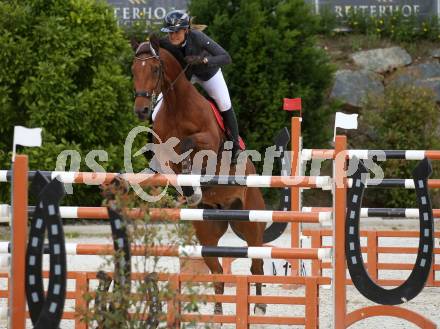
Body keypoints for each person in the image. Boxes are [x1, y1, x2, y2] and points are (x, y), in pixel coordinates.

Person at [154, 10, 243, 164]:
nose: (172, 36)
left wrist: (203, 61)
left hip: (208, 74)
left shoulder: (198, 37)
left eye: (176, 32)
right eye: (170, 32)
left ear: (185, 30)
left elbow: (225, 57)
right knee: (157, 109)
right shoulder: (166, 42)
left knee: (224, 103)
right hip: (187, 77)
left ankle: (235, 146)